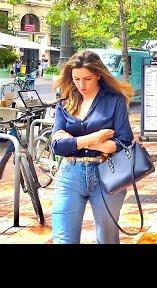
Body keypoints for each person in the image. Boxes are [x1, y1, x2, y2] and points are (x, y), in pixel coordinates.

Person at [50, 50, 135, 244]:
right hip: (70, 175)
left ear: (98, 74)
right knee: (63, 239)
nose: (81, 85)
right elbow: (57, 146)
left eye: (87, 78)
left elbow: (124, 141)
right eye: (76, 79)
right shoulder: (64, 104)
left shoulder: (115, 101)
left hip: (107, 174)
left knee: (107, 239)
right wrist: (96, 138)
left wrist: (74, 141)